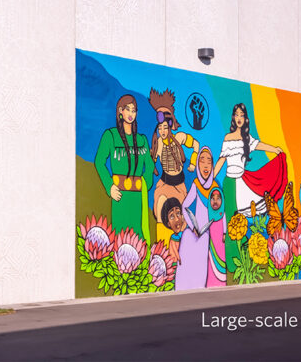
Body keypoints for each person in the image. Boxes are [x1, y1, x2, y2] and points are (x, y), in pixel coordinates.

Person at [93, 94, 155, 243]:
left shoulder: (142, 140)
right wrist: (110, 187)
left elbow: (150, 165)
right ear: (120, 111)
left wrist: (145, 185)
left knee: (138, 236)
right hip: (120, 195)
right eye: (128, 109)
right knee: (120, 236)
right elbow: (99, 162)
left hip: (138, 195)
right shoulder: (111, 136)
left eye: (134, 110)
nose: (131, 114)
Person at [215, 103, 286, 218]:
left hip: (242, 181)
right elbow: (221, 160)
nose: (239, 118)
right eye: (236, 115)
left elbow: (259, 145)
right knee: (230, 215)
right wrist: (211, 178)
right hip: (229, 182)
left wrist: (275, 150)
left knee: (239, 217)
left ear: (245, 119)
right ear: (233, 117)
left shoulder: (247, 138)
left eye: (241, 115)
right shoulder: (228, 138)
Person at [149, 89, 199, 226]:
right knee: (160, 212)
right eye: (160, 128)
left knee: (180, 222)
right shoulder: (158, 144)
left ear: (170, 126)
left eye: (164, 127)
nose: (162, 131)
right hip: (164, 183)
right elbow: (151, 160)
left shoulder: (180, 137)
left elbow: (196, 145)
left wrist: (193, 163)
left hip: (179, 186)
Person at [178, 147, 217, 290]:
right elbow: (185, 206)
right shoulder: (196, 184)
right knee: (187, 239)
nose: (205, 165)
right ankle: (183, 285)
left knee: (202, 253)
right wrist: (192, 226)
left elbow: (220, 212)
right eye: (202, 160)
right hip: (195, 230)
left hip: (208, 232)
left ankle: (199, 285)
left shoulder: (215, 188)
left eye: (209, 161)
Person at [206, 186, 227, 287]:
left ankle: (222, 282)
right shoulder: (208, 214)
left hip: (221, 244)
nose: (215, 201)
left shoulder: (222, 214)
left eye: (218, 199)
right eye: (213, 199)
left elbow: (224, 224)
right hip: (211, 244)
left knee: (222, 261)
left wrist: (224, 233)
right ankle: (211, 282)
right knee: (211, 263)